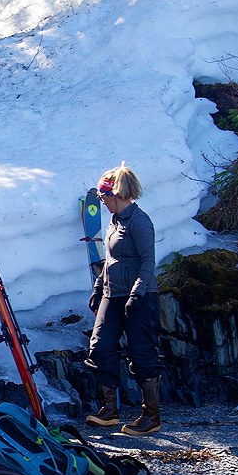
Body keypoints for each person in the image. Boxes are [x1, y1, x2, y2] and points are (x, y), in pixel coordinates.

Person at [85, 163, 162, 435]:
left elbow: (149, 261)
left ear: (115, 194)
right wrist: (98, 286)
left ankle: (150, 416)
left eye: (104, 197)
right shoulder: (114, 221)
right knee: (100, 347)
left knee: (141, 353)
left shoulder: (140, 222)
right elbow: (111, 260)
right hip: (112, 294)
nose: (102, 202)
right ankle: (109, 412)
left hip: (139, 297)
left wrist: (138, 292)